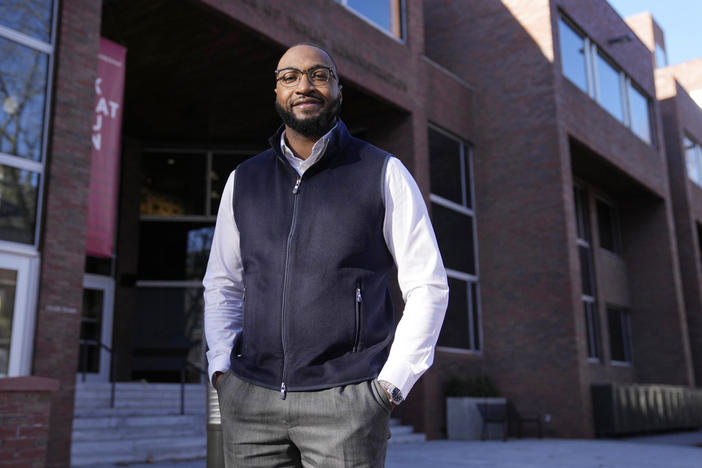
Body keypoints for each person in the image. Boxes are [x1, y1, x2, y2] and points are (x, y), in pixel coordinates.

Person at [203, 43, 448, 467]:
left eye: (320, 75)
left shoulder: (382, 172)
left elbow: (427, 285)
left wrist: (390, 385)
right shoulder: (244, 181)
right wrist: (223, 370)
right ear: (276, 93)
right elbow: (223, 284)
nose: (304, 85)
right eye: (289, 77)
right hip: (251, 403)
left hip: (346, 404)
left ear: (338, 90)